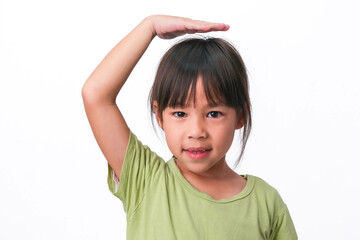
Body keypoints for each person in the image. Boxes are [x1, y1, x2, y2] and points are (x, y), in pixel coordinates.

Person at [82, 15, 297, 240]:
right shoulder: (146, 181)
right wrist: (150, 26)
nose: (197, 131)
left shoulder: (266, 204)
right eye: (180, 113)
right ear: (160, 116)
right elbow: (95, 94)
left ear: (240, 116)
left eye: (214, 114)